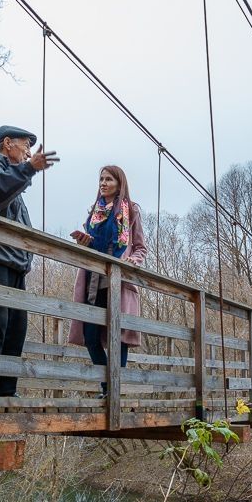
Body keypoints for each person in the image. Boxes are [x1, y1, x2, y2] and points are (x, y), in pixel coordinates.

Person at [0, 125, 58, 396]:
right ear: (7, 143)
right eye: (25, 145)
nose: (29, 152)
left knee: (16, 330)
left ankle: (6, 390)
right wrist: (29, 169)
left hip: (16, 266)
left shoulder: (15, 180)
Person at [68, 165, 148, 397]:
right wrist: (84, 241)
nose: (103, 183)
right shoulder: (94, 212)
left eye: (108, 179)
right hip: (94, 279)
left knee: (119, 337)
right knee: (91, 337)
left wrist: (132, 260)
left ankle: (113, 390)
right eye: (101, 179)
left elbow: (141, 247)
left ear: (119, 183)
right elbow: (93, 245)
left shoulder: (131, 211)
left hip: (120, 281)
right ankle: (108, 385)